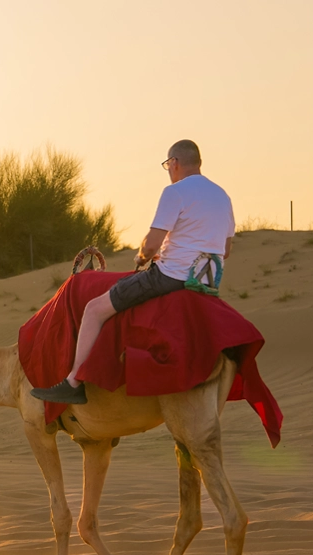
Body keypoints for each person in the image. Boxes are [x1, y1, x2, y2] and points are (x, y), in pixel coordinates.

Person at [31, 139, 235, 405]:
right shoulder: (222, 196)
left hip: (169, 278)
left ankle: (73, 383)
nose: (168, 171)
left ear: (174, 163)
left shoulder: (175, 192)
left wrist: (142, 257)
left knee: (94, 309)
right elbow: (226, 249)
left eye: (167, 165)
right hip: (208, 282)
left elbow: (151, 245)